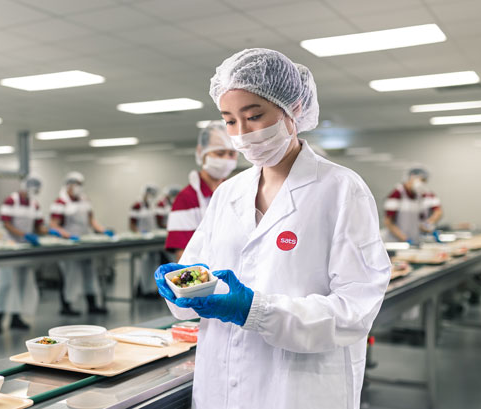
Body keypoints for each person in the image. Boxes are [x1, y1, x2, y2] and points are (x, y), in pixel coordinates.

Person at [154, 48, 391, 409]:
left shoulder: (341, 189)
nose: (242, 134)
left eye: (254, 116)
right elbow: (197, 280)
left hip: (298, 389)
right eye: (230, 121)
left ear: (293, 107)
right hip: (221, 385)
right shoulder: (228, 194)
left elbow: (354, 311)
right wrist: (180, 288)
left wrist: (257, 310)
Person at [164, 121, 237, 260]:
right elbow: (182, 254)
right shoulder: (186, 198)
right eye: (220, 153)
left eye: (232, 154)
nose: (227, 159)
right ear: (201, 153)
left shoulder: (234, 192)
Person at [49, 171, 113, 316]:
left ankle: (92, 304)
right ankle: (66, 305)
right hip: (68, 245)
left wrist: (103, 230)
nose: (77, 187)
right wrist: (68, 235)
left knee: (89, 273)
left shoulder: (85, 200)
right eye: (75, 184)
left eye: (79, 184)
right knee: (70, 275)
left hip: (84, 243)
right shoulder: (60, 202)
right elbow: (54, 224)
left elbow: (91, 221)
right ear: (68, 185)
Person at [0, 173, 46, 334]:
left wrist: (51, 231)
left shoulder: (34, 204)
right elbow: (6, 223)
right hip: (10, 246)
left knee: (22, 283)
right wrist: (23, 234)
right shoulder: (11, 200)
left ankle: (16, 317)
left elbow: (39, 225)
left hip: (25, 248)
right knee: (5, 284)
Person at [383, 167, 443, 245]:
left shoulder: (420, 195)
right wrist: (406, 239)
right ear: (412, 177)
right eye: (422, 180)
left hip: (413, 240)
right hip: (397, 243)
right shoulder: (396, 194)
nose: (423, 184)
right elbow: (388, 222)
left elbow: (436, 212)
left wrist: (428, 226)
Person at [129, 184, 160, 296]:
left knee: (151, 265)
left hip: (151, 238)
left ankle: (149, 289)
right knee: (143, 265)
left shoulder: (151, 206)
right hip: (141, 239)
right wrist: (139, 233)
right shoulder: (137, 205)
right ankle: (142, 290)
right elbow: (132, 224)